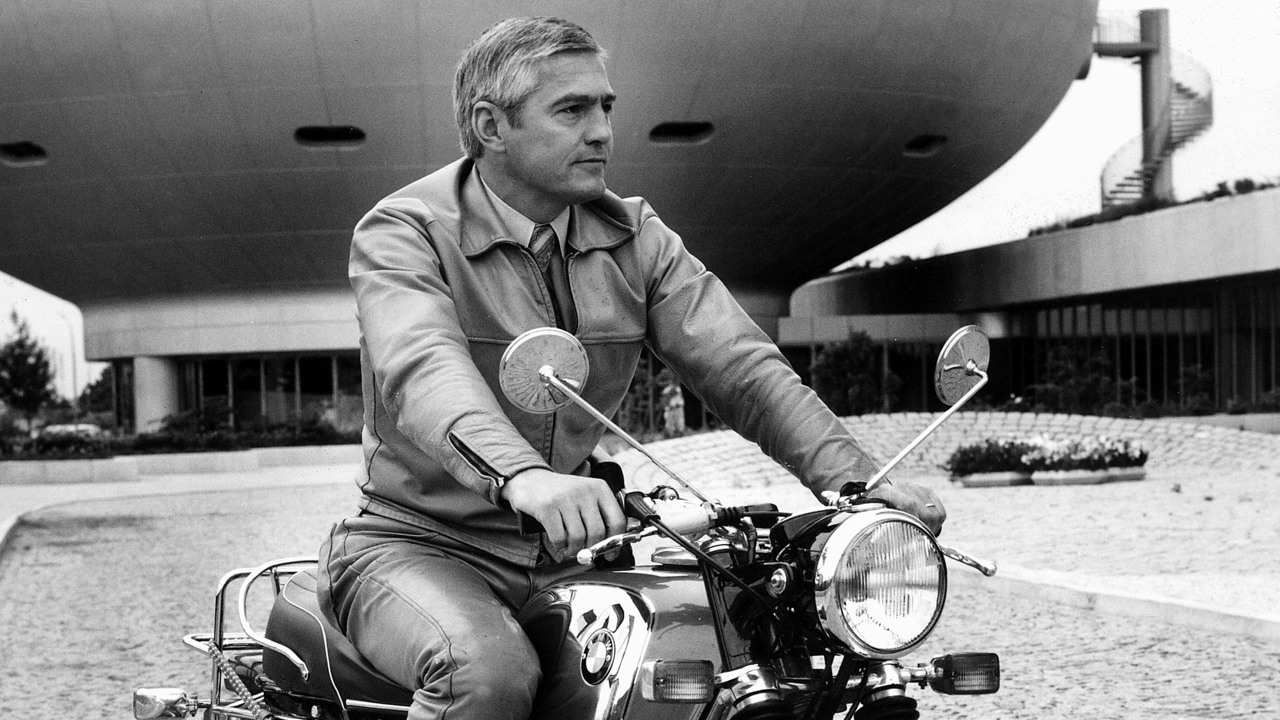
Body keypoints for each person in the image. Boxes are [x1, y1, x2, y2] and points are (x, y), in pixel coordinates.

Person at [319, 16, 946, 720]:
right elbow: (422, 367)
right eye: (572, 110)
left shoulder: (634, 234)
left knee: (710, 653)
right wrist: (525, 477)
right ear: (492, 126)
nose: (602, 132)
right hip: (418, 543)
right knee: (484, 673)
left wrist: (860, 484)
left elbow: (744, 369)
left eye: (606, 107)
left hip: (576, 546)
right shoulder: (405, 231)